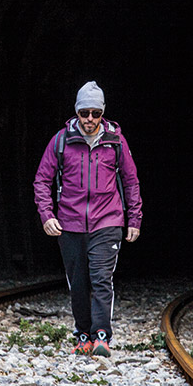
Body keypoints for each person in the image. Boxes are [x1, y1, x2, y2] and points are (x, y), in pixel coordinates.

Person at [32, 81, 142, 358]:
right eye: (85, 113)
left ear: (102, 113)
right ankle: (83, 334)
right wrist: (47, 215)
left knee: (101, 278)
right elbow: (42, 180)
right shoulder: (61, 141)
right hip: (69, 224)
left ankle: (101, 335)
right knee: (78, 282)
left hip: (108, 221)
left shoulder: (115, 140)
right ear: (77, 113)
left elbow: (130, 181)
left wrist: (134, 218)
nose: (90, 119)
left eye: (95, 113)